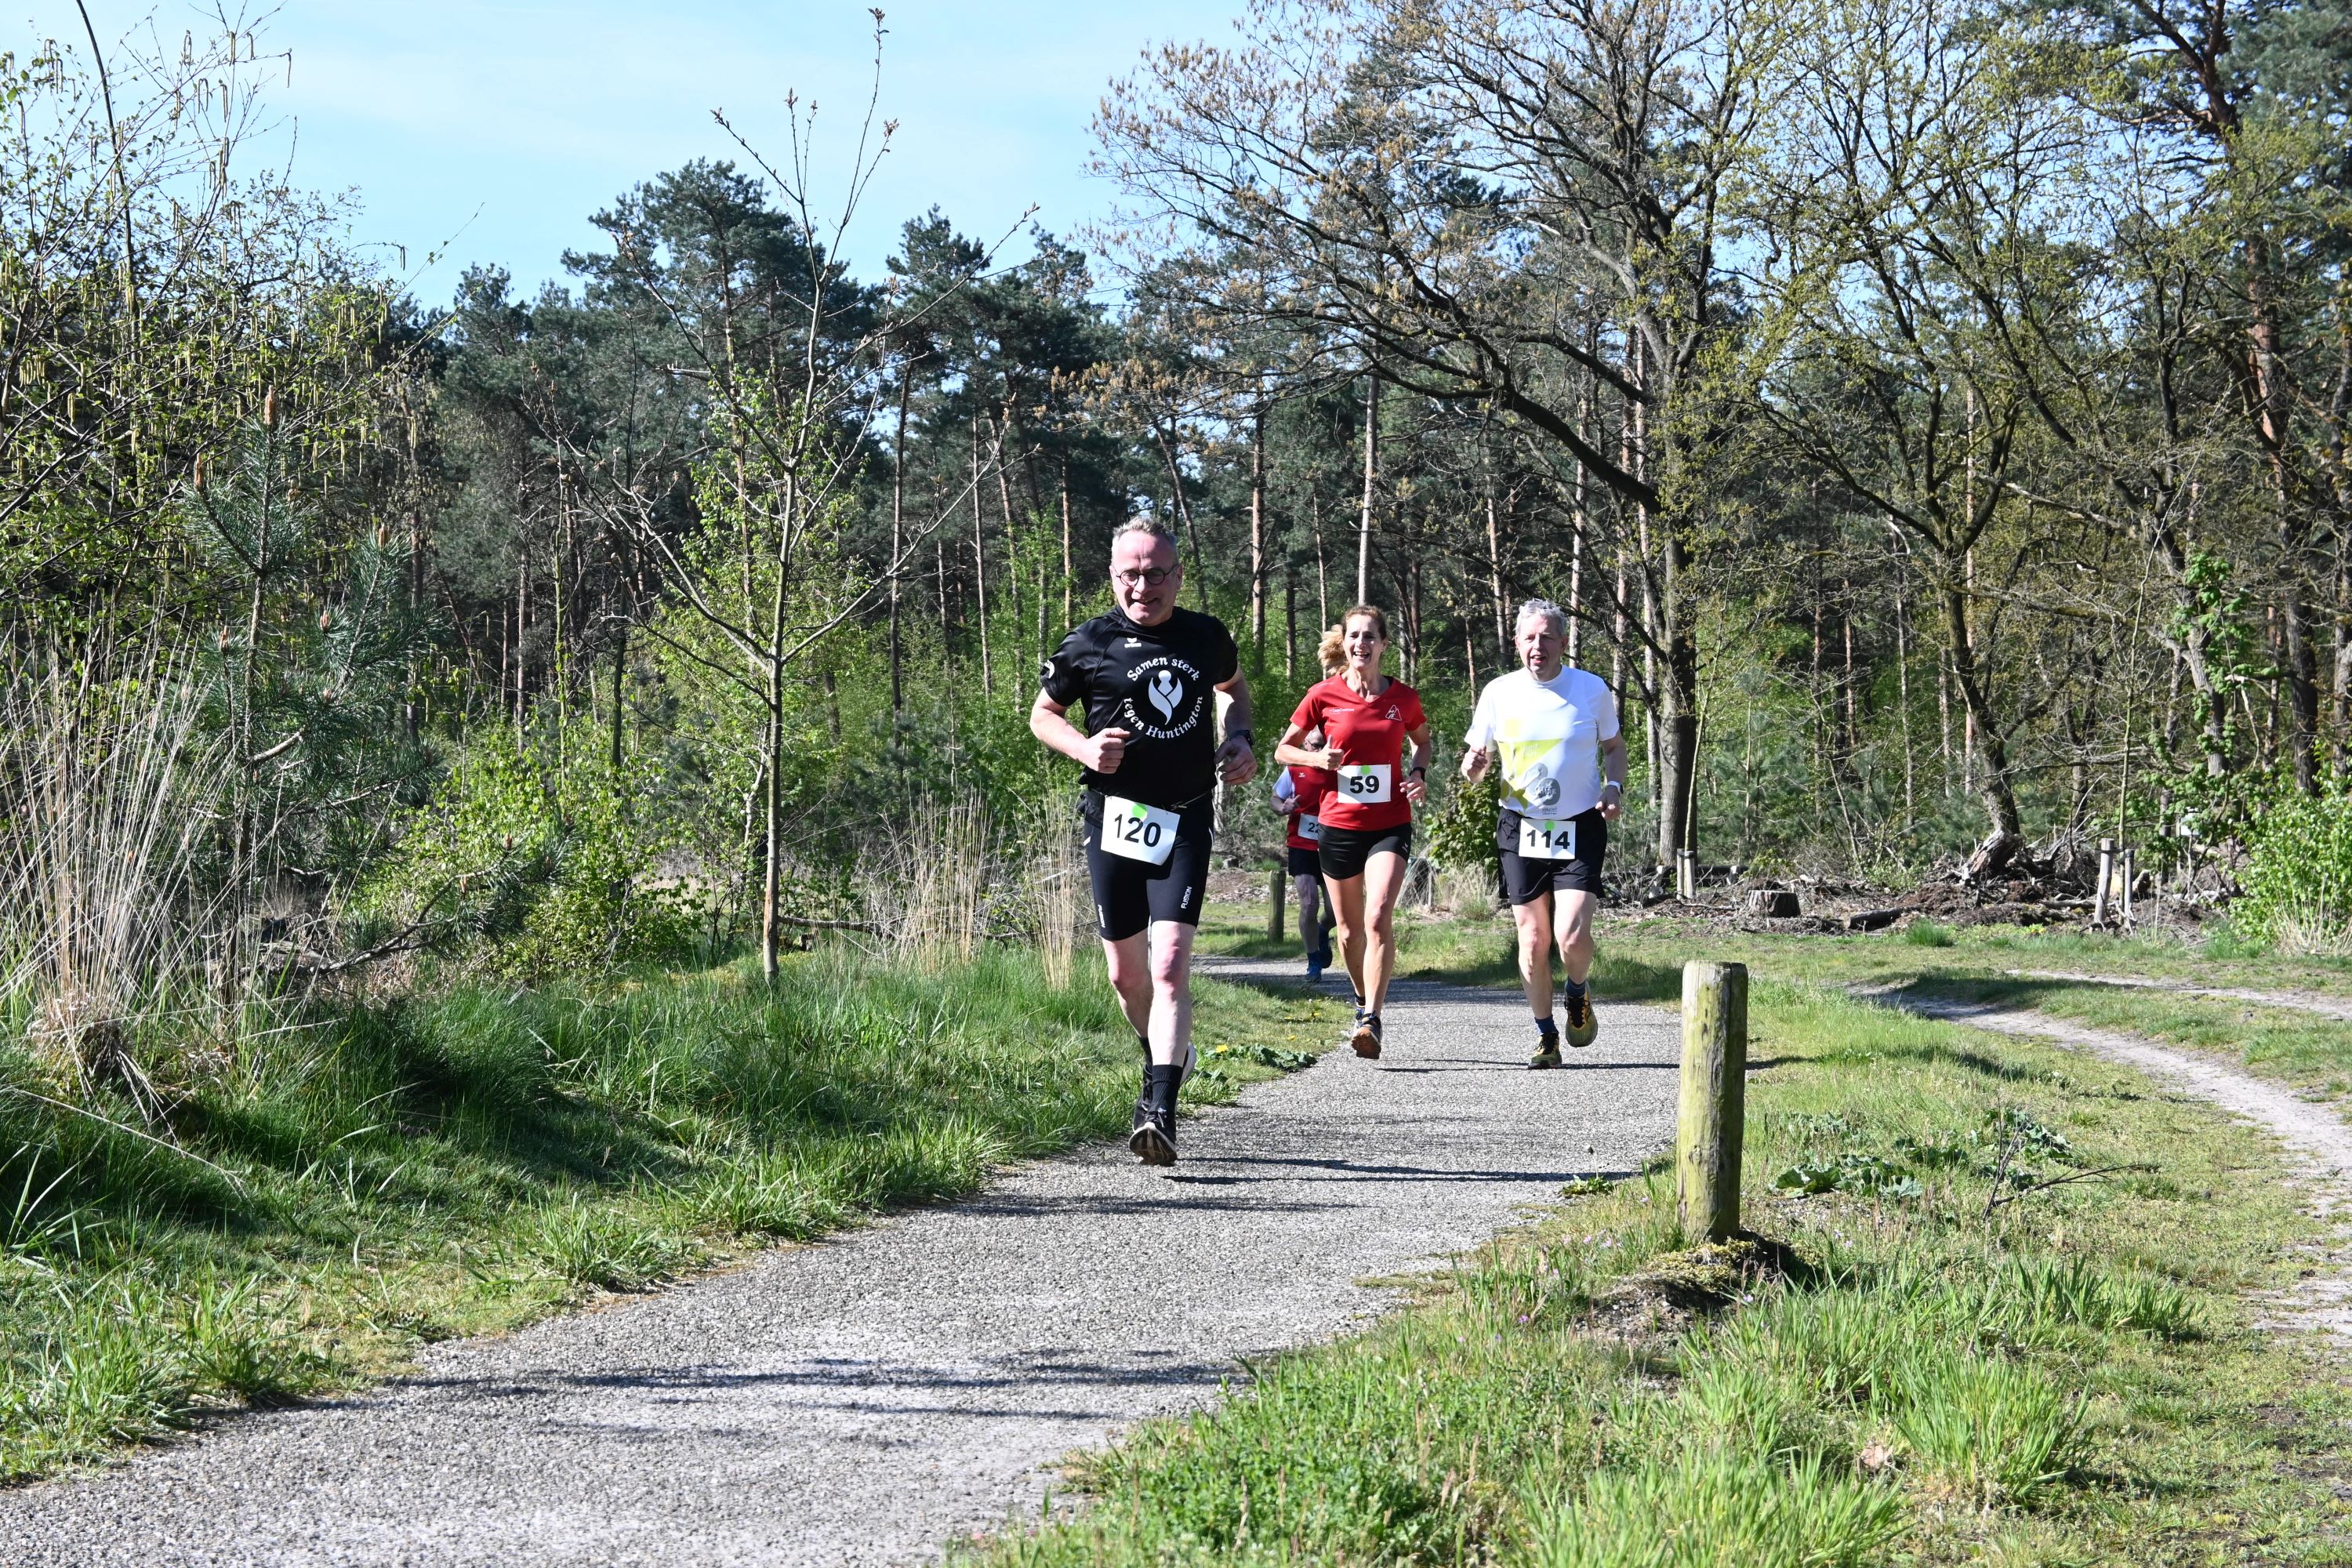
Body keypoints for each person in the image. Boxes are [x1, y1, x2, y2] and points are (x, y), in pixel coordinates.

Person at [1032, 517, 1255, 1165]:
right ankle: (1168, 1056)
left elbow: (1234, 691)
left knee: (1170, 964)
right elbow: (1042, 715)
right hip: (1115, 819)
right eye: (1130, 574)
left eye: (1156, 573)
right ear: (1113, 576)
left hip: (1184, 818)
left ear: (1178, 577)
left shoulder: (1206, 635)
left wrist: (1238, 737)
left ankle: (1160, 1108)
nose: (1142, 586)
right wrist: (1084, 748)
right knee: (1126, 976)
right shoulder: (1089, 642)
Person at [1461, 598, 1627, 1067]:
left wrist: (1613, 786)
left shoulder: (1591, 689)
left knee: (1570, 936)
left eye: (1547, 637)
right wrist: (1473, 767)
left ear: (1563, 642)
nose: (1538, 646)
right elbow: (1475, 766)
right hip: (1521, 825)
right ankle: (1546, 1035)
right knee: (1532, 941)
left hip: (1579, 822)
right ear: (1517, 642)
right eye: (1530, 638)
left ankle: (1577, 989)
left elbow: (1615, 747)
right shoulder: (1499, 692)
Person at [1274, 605, 1430, 1058]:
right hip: (1338, 824)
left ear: (1383, 644)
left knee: (1378, 917)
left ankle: (1372, 1019)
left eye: (1369, 636)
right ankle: (1362, 1000)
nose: (1362, 643)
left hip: (1390, 823)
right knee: (1347, 931)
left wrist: (1418, 773)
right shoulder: (1323, 695)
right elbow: (1283, 750)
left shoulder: (1404, 698)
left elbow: (1423, 742)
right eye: (1354, 636)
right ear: (1344, 644)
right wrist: (1316, 759)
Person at [1272, 629, 1347, 980]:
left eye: (1323, 745)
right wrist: (1283, 807)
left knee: (1333, 911)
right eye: (1314, 746)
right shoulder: (1295, 768)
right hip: (1301, 844)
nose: (1319, 751)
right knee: (1307, 900)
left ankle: (1322, 930)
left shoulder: (1339, 767)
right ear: (1306, 746)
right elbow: (1275, 798)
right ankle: (1313, 961)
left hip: (1333, 841)